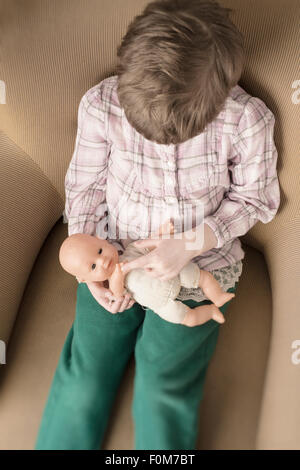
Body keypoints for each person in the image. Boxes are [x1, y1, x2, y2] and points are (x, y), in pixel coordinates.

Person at [35, 0, 280, 450]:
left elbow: (256, 200)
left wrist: (187, 245)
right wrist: (89, 274)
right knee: (87, 372)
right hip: (110, 256)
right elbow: (85, 189)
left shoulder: (247, 122)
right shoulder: (101, 105)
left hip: (200, 267)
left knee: (164, 384)